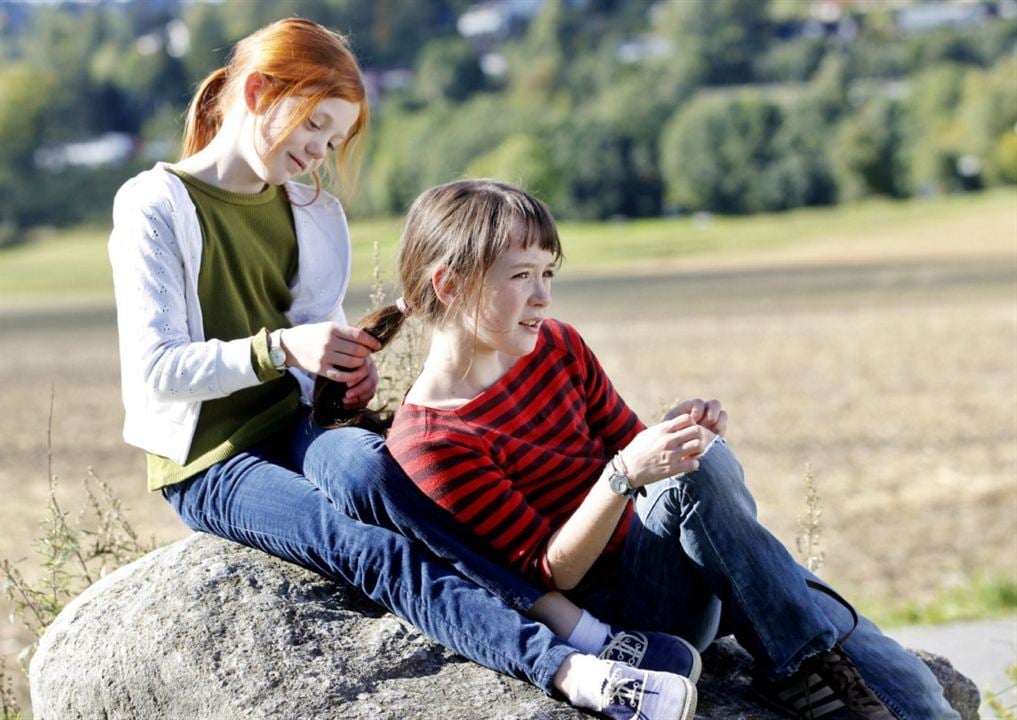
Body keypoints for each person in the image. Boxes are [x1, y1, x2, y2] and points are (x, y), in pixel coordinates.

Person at [108, 18, 701, 720]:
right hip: (212, 462)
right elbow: (156, 370)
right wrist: (280, 349)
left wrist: (340, 379)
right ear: (260, 92)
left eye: (334, 140)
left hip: (295, 424)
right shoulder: (154, 205)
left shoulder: (313, 213)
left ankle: (566, 619)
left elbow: (309, 358)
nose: (319, 152)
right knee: (365, 550)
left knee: (371, 469)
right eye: (314, 126)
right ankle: (577, 665)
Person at [376, 178, 962, 720]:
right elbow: (547, 575)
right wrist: (624, 476)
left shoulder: (558, 346)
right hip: (629, 619)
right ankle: (797, 667)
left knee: (915, 695)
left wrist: (677, 432)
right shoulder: (432, 442)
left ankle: (802, 657)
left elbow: (632, 448)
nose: (543, 297)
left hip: (695, 566)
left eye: (548, 273)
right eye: (521, 276)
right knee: (693, 474)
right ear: (449, 285)